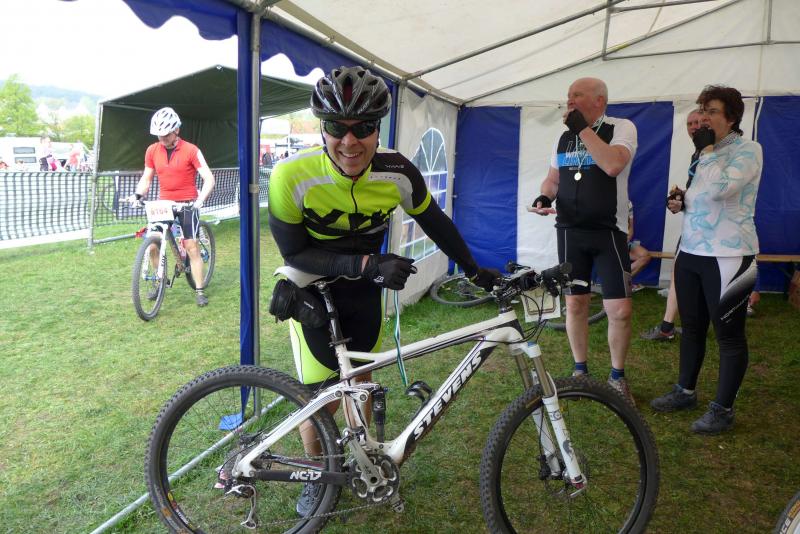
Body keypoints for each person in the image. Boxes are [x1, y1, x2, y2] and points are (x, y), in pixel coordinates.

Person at [268, 66, 499, 516]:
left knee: (362, 384)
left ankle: (360, 461)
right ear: (321, 127)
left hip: (364, 296)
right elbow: (295, 252)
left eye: (363, 129)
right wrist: (367, 264)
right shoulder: (291, 176)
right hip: (312, 293)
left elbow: (435, 222)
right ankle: (318, 476)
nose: (349, 142)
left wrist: (474, 271)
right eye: (336, 128)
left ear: (379, 129)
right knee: (321, 402)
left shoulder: (397, 171)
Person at [650, 85, 762, 435]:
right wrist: (681, 200)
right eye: (702, 110)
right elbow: (702, 194)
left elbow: (721, 189)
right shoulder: (703, 152)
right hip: (692, 251)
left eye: (711, 111)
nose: (703, 118)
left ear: (732, 116)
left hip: (729, 255)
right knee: (693, 327)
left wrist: (708, 150)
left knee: (729, 335)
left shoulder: (748, 149)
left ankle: (723, 409)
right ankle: (685, 390)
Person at [529, 77, 638, 403]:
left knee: (620, 310)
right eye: (568, 95)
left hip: (609, 231)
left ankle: (617, 377)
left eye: (577, 95)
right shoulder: (563, 137)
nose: (570, 100)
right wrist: (544, 197)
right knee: (575, 303)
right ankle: (580, 370)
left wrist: (583, 129)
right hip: (569, 231)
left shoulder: (621, 127)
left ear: (599, 100)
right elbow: (553, 180)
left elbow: (613, 165)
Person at [128, 107, 216, 307]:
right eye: (159, 135)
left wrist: (200, 200)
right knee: (152, 245)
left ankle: (199, 289)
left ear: (176, 130)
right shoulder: (152, 150)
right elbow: (146, 178)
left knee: (191, 246)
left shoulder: (191, 150)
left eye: (166, 135)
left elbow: (209, 179)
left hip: (187, 203)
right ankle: (159, 282)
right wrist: (138, 194)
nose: (162, 139)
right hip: (164, 203)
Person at [641, 108, 703, 341]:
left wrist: (685, 199)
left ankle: (686, 326)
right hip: (693, 227)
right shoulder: (697, 154)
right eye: (689, 123)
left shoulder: (713, 153)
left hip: (711, 231)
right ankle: (668, 326)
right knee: (680, 273)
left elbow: (715, 194)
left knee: (693, 276)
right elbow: (700, 194)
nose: (693, 127)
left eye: (698, 122)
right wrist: (680, 199)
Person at [627, 200, 650, 281]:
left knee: (646, 256)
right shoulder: (606, 201)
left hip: (624, 242)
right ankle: (624, 280)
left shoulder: (628, 203)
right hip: (610, 243)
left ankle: (625, 279)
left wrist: (625, 241)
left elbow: (631, 229)